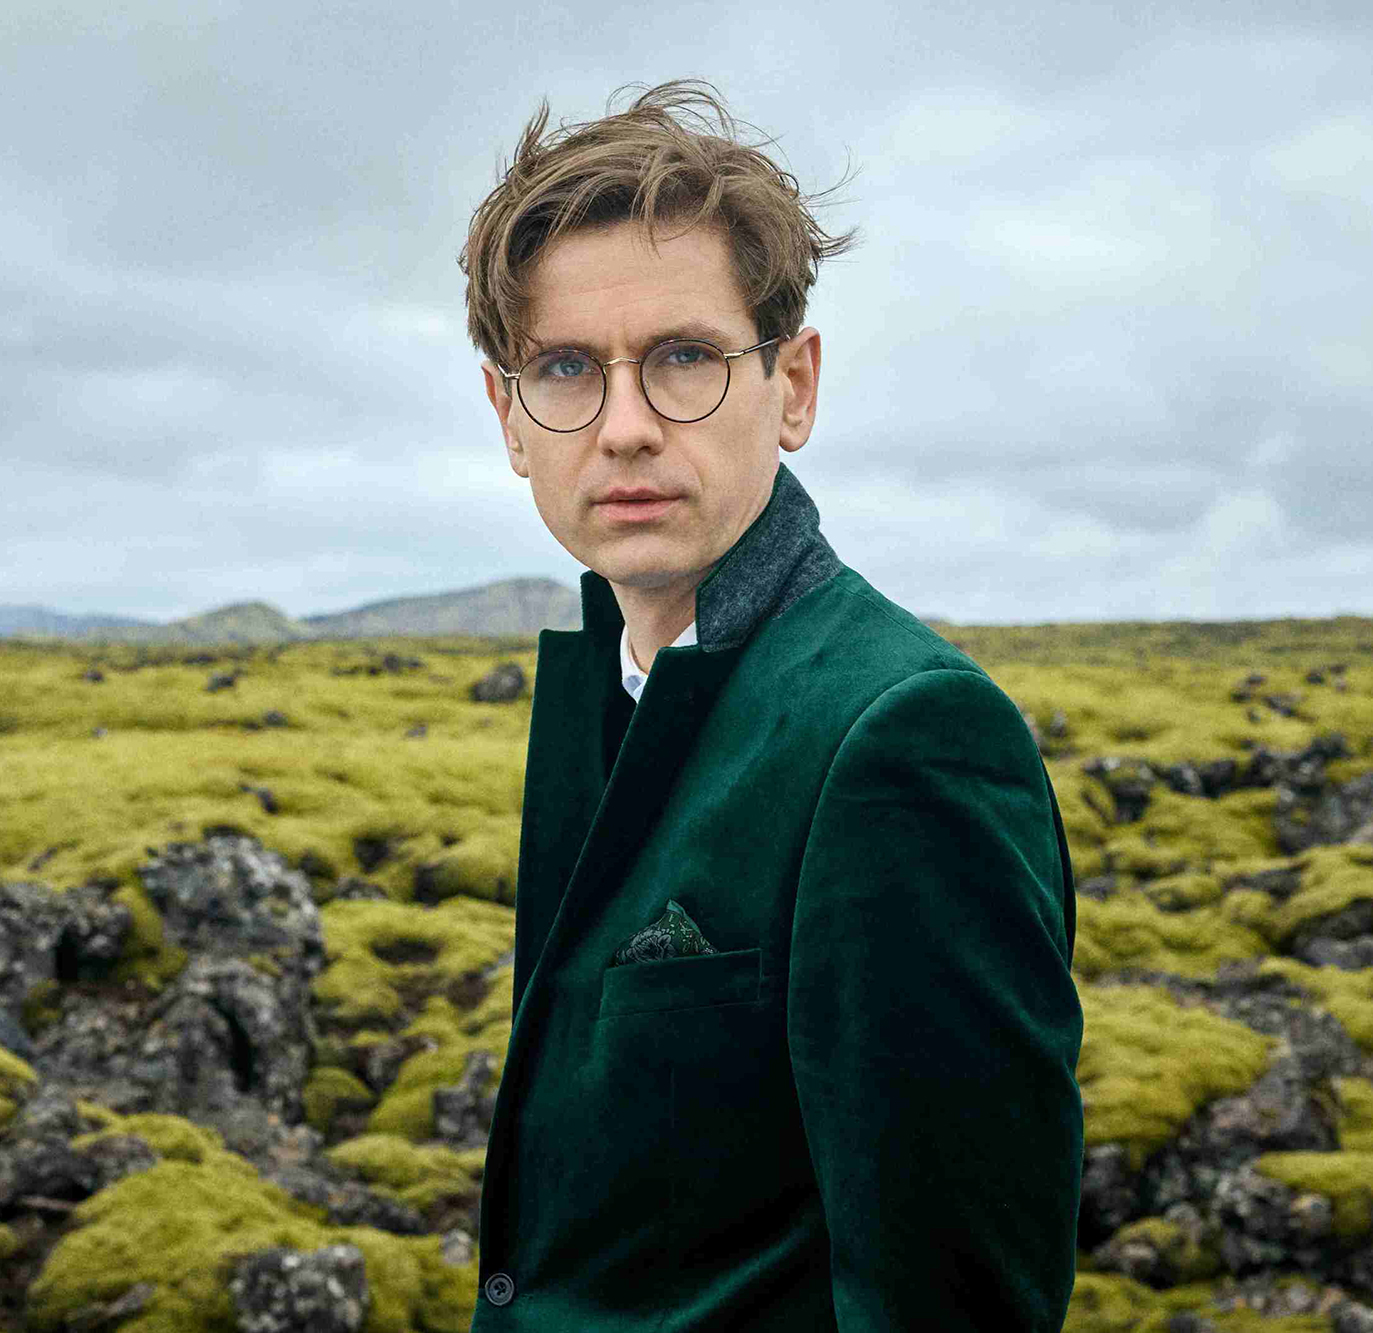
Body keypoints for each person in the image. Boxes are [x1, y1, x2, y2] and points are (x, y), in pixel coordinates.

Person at [459, 79, 1084, 1331]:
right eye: (568, 369)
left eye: (684, 358)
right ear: (509, 418)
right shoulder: (612, 688)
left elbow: (954, 1301)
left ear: (792, 386)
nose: (624, 426)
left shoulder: (901, 739)